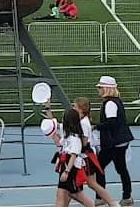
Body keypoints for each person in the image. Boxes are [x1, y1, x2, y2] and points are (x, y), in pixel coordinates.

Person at [94, 76, 134, 206]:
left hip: (113, 142)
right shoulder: (116, 101)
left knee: (99, 166)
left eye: (100, 88)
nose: (98, 90)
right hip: (120, 140)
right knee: (121, 168)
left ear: (106, 89)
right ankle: (127, 196)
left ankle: (100, 196)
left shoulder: (110, 104)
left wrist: (96, 126)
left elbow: (111, 123)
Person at [54, 109, 94, 207]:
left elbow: (73, 155)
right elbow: (59, 143)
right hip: (65, 165)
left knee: (76, 194)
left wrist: (67, 171)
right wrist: (52, 133)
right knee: (62, 194)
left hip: (71, 168)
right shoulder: (67, 136)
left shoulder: (75, 139)